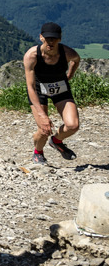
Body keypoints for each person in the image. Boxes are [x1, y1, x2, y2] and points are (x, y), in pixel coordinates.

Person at [23, 22, 81, 164]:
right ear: (41, 37)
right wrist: (42, 116)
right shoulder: (31, 56)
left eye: (54, 38)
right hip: (39, 91)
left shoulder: (67, 53)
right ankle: (38, 153)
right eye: (48, 38)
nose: (51, 42)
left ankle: (56, 141)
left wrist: (70, 75)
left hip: (61, 89)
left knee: (73, 125)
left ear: (59, 39)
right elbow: (30, 87)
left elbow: (76, 59)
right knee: (44, 129)